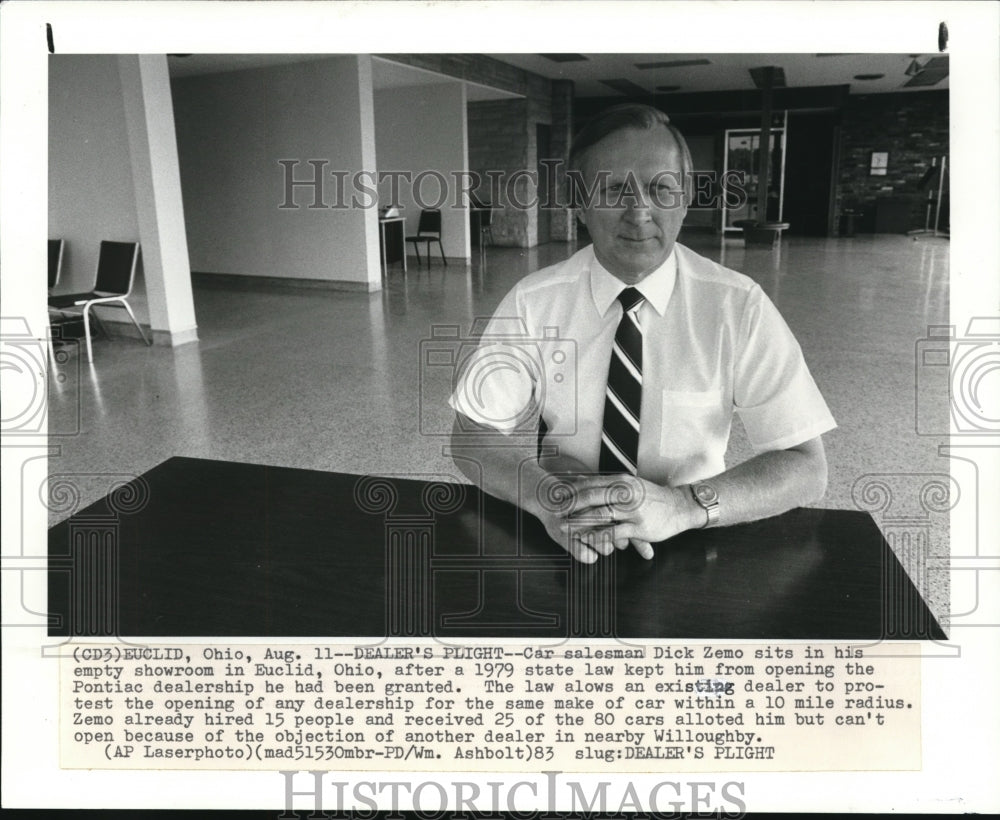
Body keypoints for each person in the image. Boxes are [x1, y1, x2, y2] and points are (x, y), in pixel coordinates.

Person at [449, 104, 835, 564]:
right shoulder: (535, 301)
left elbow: (806, 464)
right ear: (578, 203)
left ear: (686, 197)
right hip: (563, 530)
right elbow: (470, 432)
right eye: (613, 190)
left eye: (661, 189)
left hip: (694, 534)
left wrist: (682, 506)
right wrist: (544, 494)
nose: (639, 212)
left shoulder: (737, 306)